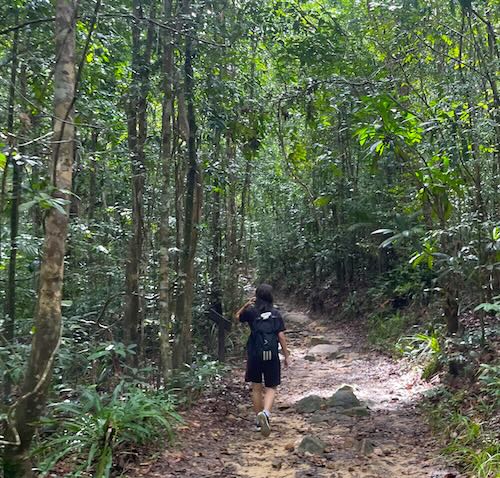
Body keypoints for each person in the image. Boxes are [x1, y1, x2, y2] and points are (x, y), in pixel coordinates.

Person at [235, 284, 290, 437]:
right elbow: (281, 336)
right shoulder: (275, 314)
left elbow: (237, 317)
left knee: (256, 387)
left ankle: (259, 422)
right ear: (270, 296)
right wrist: (286, 355)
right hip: (271, 354)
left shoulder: (251, 312)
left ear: (257, 296)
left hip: (255, 353)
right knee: (271, 386)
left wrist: (246, 305)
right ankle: (266, 413)